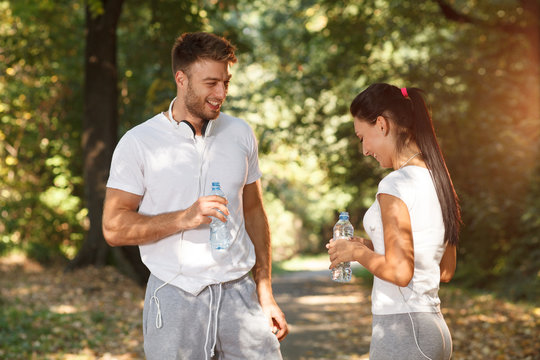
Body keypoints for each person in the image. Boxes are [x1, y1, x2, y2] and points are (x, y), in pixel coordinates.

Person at [102, 32, 288, 360]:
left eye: (226, 83)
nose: (221, 94)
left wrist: (265, 290)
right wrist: (184, 218)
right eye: (211, 83)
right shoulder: (139, 142)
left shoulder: (241, 133)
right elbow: (114, 228)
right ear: (181, 78)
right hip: (175, 295)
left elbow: (255, 212)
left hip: (239, 295)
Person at [327, 83, 461, 360]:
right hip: (433, 331)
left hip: (404, 331)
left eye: (362, 136)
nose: (364, 149)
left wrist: (357, 253)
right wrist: (368, 244)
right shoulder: (438, 180)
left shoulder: (395, 184)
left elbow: (401, 273)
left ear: (381, 124)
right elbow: (445, 269)